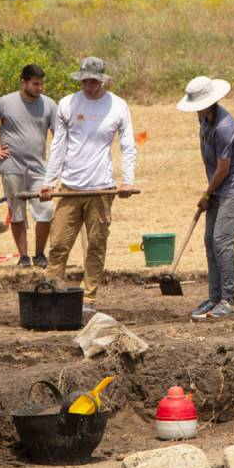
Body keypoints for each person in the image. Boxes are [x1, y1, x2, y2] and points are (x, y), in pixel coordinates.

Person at [39, 57, 138, 303]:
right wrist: (49, 182)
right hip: (70, 187)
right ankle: (51, 292)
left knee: (96, 244)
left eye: (94, 81)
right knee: (59, 243)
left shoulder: (117, 106)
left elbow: (128, 146)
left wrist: (127, 180)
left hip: (101, 188)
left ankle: (88, 297)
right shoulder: (67, 104)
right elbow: (58, 146)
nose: (89, 86)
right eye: (85, 81)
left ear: (102, 81)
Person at [179, 75, 234, 320]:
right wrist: (210, 192)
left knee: (222, 242)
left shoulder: (223, 127)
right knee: (210, 241)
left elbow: (223, 168)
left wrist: (206, 193)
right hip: (218, 187)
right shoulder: (203, 120)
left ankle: (228, 301)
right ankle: (214, 298)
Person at [0, 64, 57, 266]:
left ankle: (40, 255)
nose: (39, 88)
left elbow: (59, 136)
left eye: (41, 84)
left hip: (39, 168)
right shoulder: (5, 103)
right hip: (12, 167)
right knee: (17, 211)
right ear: (23, 82)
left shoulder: (49, 105)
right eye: (35, 84)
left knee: (46, 210)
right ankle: (23, 257)